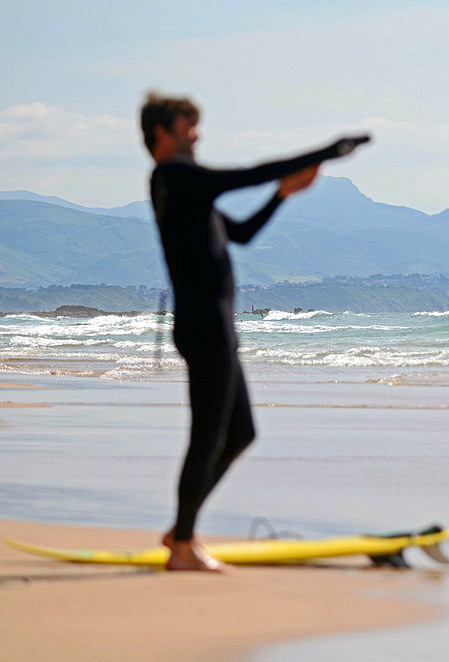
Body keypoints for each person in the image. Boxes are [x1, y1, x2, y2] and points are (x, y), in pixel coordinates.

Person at [140, 93, 370, 572]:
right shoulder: (175, 177)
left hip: (213, 325)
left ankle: (180, 530)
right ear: (163, 133)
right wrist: (324, 152)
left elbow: (240, 233)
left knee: (240, 433)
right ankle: (182, 544)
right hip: (204, 325)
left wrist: (283, 194)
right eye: (189, 127)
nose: (197, 135)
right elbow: (246, 174)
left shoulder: (184, 191)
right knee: (207, 437)